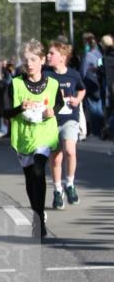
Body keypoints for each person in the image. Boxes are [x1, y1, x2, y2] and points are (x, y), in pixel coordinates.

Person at [4, 40, 63, 238]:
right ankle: (37, 213)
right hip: (24, 136)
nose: (29, 64)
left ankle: (39, 223)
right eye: (26, 60)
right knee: (30, 179)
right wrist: (21, 107)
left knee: (39, 170)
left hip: (45, 134)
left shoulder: (53, 84)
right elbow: (6, 112)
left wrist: (51, 110)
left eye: (33, 59)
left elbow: (60, 104)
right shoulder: (15, 84)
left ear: (42, 60)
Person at [45, 39, 86, 208]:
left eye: (51, 53)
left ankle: (69, 184)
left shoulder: (74, 74)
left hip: (70, 118)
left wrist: (77, 99)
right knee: (56, 158)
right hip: (51, 121)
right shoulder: (45, 74)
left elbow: (82, 89)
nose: (48, 55)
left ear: (62, 57)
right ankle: (57, 190)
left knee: (70, 151)